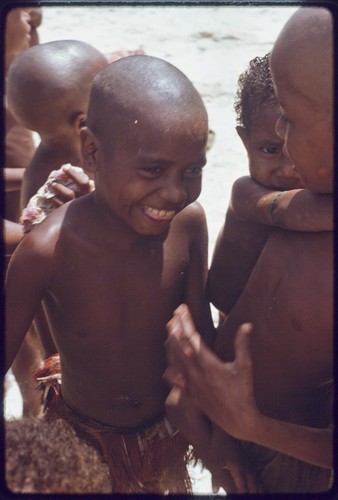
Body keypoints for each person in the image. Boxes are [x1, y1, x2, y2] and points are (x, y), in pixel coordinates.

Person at [5, 54, 216, 494]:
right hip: (79, 439)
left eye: (192, 170)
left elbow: (202, 337)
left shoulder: (189, 224)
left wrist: (219, 437)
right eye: (153, 170)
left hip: (165, 436)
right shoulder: (47, 249)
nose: (176, 192)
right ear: (93, 152)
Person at [164, 7, 333, 494]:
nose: (283, 142)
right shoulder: (267, 198)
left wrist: (248, 425)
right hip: (223, 408)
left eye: (294, 121)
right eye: (269, 142)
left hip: (291, 447)